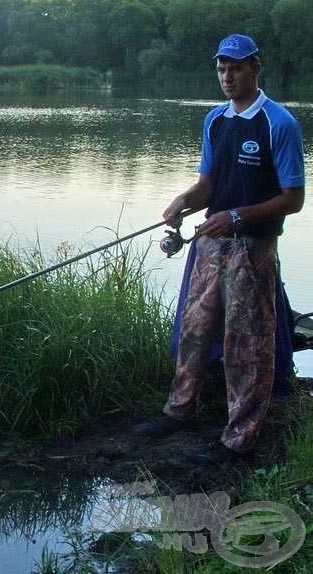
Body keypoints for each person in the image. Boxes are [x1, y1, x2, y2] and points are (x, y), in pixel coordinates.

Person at [136, 34, 305, 461]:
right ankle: (179, 410)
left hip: (254, 247)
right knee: (194, 330)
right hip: (210, 245)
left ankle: (241, 434)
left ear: (255, 69)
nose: (227, 76)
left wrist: (235, 216)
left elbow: (294, 199)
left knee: (246, 343)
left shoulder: (279, 123)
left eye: (236, 68)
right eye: (221, 69)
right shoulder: (215, 120)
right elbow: (209, 184)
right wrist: (183, 202)